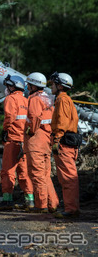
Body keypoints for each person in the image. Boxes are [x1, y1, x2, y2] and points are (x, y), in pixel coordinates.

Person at [0, 75, 34, 211]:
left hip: (12, 140)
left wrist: (5, 130)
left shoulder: (11, 99)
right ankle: (30, 201)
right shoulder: (26, 100)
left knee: (8, 171)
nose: (6, 89)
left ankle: (7, 201)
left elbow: (9, 117)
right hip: (24, 142)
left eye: (8, 86)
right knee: (24, 172)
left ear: (12, 86)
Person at [23, 72, 59, 213]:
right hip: (46, 140)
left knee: (37, 175)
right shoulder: (47, 99)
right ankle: (52, 204)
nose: (27, 87)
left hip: (36, 141)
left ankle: (41, 205)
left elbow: (33, 117)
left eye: (28, 85)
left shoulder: (34, 99)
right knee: (45, 175)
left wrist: (30, 131)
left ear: (33, 85)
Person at [49, 72, 80, 218]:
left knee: (68, 178)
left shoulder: (62, 100)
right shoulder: (65, 100)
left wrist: (56, 139)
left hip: (64, 142)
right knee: (66, 177)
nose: (51, 86)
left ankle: (71, 209)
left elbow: (62, 122)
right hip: (68, 141)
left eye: (53, 84)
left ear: (59, 85)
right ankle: (71, 207)